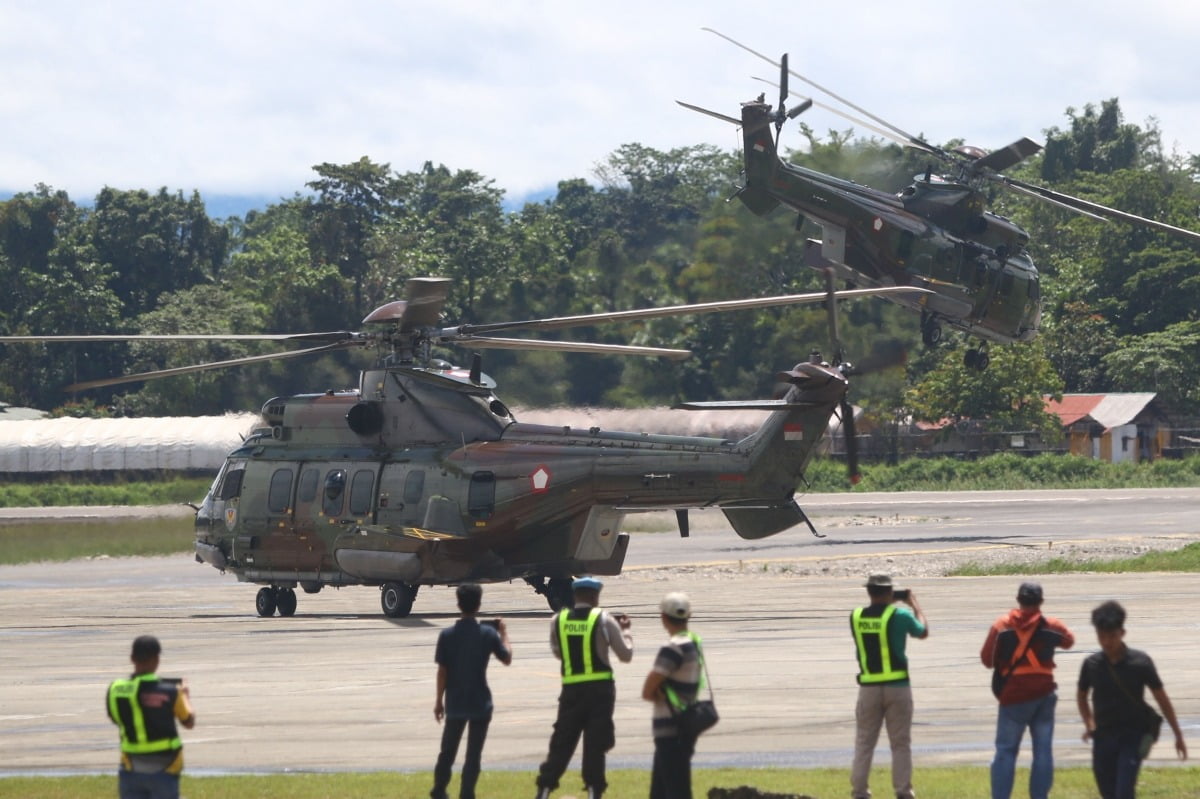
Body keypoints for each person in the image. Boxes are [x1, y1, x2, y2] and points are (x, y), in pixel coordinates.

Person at [534, 575, 634, 799]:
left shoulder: (558, 621)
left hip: (571, 693)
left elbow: (558, 653)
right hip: (600, 693)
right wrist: (626, 632)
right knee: (595, 745)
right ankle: (593, 791)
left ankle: (545, 788)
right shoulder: (604, 620)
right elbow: (625, 655)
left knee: (562, 743)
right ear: (593, 595)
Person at [1077, 600, 1187, 798]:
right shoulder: (1091, 665)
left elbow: (1161, 698)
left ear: (1122, 633)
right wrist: (1089, 722)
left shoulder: (1140, 662)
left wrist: (1177, 734)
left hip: (1132, 736)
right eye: (1101, 636)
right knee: (1107, 792)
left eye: (1112, 636)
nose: (1107, 642)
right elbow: (1082, 695)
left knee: (1124, 791)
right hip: (1103, 737)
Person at [980, 581, 1075, 799]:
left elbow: (987, 659)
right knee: (1042, 751)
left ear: (1018, 600)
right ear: (1041, 601)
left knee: (1006, 751)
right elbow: (1068, 640)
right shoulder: (1050, 625)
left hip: (1013, 695)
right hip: (1043, 694)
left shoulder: (1003, 625)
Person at [849, 574, 929, 799]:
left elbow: (876, 617)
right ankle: (903, 791)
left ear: (869, 592)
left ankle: (859, 792)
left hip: (868, 688)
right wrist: (915, 605)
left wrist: (886, 601)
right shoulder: (900, 615)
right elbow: (922, 632)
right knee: (900, 743)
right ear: (890, 592)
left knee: (864, 742)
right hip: (897, 687)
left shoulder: (855, 617)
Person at [431, 582, 512, 799]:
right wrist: (503, 633)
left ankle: (439, 790)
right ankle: (467, 793)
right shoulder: (487, 634)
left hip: (455, 702)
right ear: (478, 605)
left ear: (458, 604)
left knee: (447, 751)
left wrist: (439, 701)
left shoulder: (447, 636)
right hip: (479, 702)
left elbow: (442, 672)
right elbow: (506, 658)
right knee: (473, 755)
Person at [106, 635, 196, 799]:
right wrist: (185, 697)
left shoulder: (115, 690)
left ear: (132, 658)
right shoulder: (170, 691)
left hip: (130, 766)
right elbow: (188, 721)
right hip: (166, 766)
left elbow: (114, 717)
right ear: (157, 659)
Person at [642, 591, 703, 799]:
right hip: (684, 727)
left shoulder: (673, 648)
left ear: (664, 618)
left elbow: (648, 690)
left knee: (676, 790)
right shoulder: (693, 644)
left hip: (671, 729)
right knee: (660, 791)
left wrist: (657, 691)